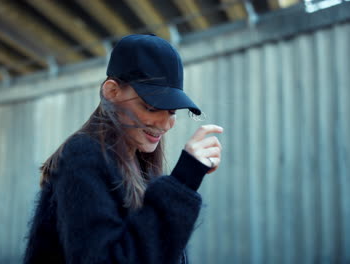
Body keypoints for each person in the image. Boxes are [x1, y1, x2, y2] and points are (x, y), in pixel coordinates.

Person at [23, 34, 223, 264]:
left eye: (172, 111)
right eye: (150, 106)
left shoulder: (140, 162)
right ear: (112, 92)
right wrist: (183, 182)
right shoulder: (83, 155)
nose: (165, 124)